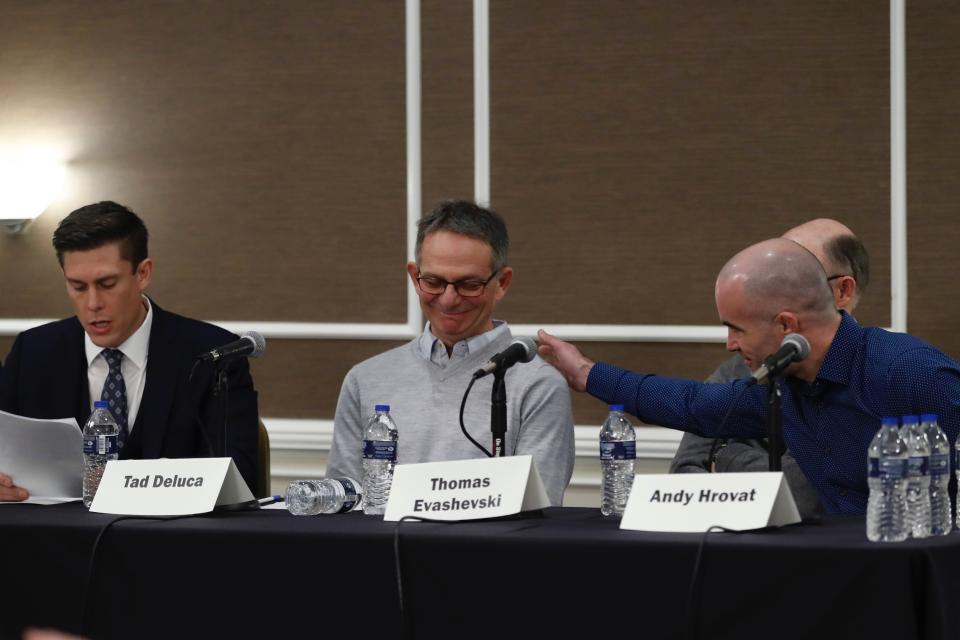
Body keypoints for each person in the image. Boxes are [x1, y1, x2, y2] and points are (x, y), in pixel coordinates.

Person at [538, 237, 960, 514]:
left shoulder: (910, 370)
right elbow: (694, 406)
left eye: (735, 328)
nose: (729, 344)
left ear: (786, 324)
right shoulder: (788, 383)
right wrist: (587, 373)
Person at [0, 201, 259, 499]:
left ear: (143, 273)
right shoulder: (33, 353)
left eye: (107, 284)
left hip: (173, 539)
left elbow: (240, 478)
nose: (93, 303)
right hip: (59, 540)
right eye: (78, 287)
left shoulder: (214, 356)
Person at [326, 200, 575, 505]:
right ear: (413, 276)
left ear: (503, 282)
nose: (448, 300)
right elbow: (342, 504)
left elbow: (538, 513)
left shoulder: (538, 385)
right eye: (433, 282)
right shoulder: (365, 379)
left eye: (469, 285)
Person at [670, 219, 870, 518]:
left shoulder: (875, 376)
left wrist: (726, 456)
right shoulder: (737, 372)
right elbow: (685, 477)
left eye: (798, 278)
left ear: (843, 291)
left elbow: (805, 495)